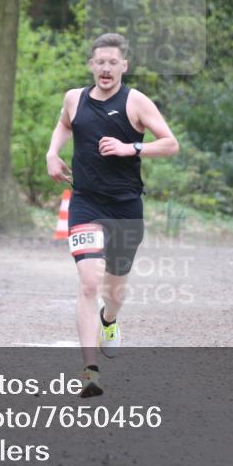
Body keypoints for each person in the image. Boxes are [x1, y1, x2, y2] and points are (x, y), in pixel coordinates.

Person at [45, 33, 179, 397]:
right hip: (86, 203)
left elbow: (170, 143)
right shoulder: (75, 98)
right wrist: (52, 154)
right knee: (89, 282)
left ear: (124, 66)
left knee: (114, 290)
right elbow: (64, 124)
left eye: (112, 62)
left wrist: (130, 147)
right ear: (91, 65)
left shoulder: (135, 101)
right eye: (99, 61)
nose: (105, 68)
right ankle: (90, 371)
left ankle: (110, 320)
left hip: (125, 206)